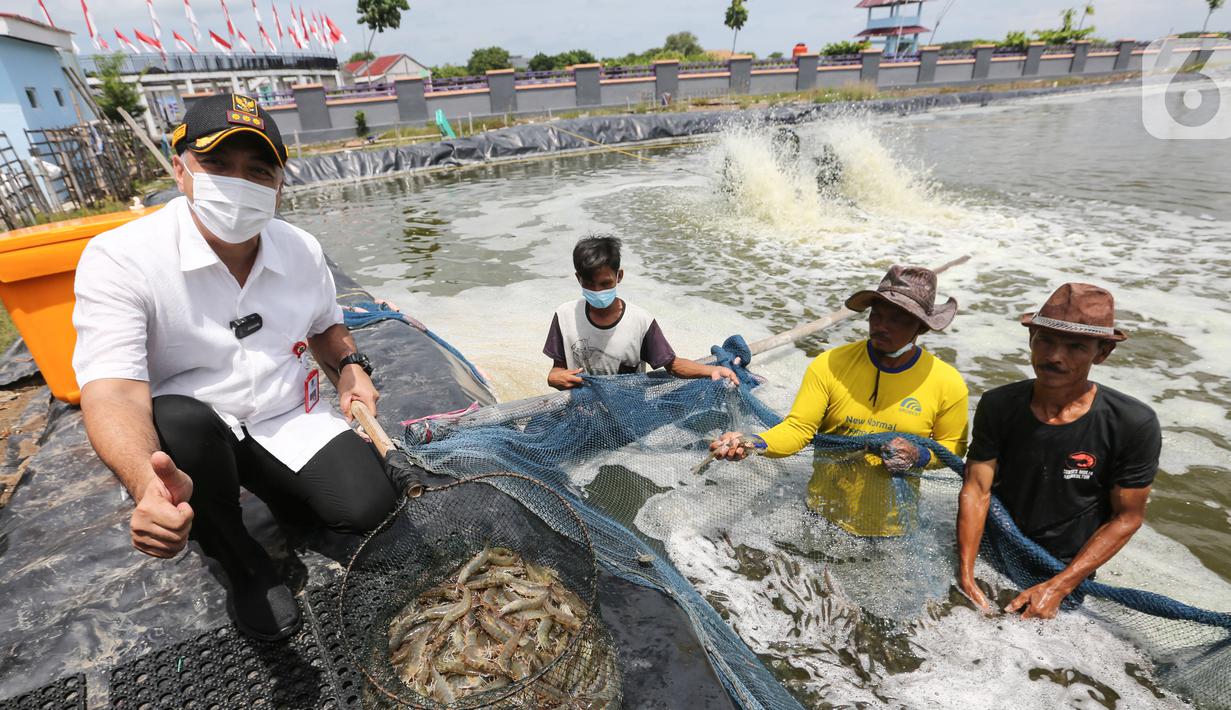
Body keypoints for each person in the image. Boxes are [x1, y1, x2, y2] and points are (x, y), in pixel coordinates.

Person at [72, 94, 398, 642]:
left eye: (258, 170)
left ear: (279, 184)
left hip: (287, 414)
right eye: (217, 165)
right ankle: (241, 560)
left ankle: (288, 496)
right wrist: (145, 487)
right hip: (198, 437)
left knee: (371, 509)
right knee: (175, 422)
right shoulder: (121, 258)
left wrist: (350, 366)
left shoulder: (300, 250)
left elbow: (326, 327)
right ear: (181, 169)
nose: (237, 182)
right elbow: (111, 393)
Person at [710, 265, 969, 536]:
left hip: (893, 530)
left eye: (896, 319)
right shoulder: (831, 364)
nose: (881, 325)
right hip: (821, 517)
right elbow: (798, 429)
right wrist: (752, 442)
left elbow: (952, 448)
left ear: (921, 327)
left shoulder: (947, 382)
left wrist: (918, 454)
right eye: (876, 315)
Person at [957, 283, 1160, 619]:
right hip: (990, 552)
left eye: (1076, 347)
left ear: (1103, 352)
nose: (1054, 357)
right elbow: (977, 489)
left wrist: (1059, 586)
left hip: (1060, 570)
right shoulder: (998, 404)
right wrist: (966, 572)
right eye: (1045, 340)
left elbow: (1127, 517)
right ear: (1031, 338)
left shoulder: (1133, 423)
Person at [544, 235, 739, 389]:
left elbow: (673, 365)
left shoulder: (640, 321)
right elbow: (557, 370)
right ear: (578, 278)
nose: (597, 291)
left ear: (619, 276)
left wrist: (713, 370)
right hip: (581, 412)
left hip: (626, 415)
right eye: (589, 284)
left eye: (605, 283)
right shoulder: (565, 316)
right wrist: (554, 378)